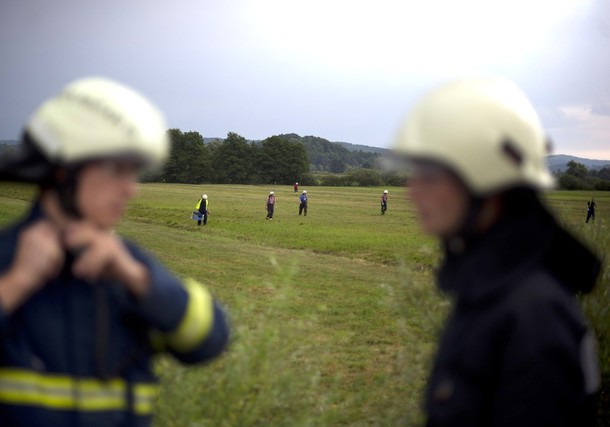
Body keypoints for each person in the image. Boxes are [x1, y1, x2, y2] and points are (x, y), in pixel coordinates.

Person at [0, 77, 230, 426]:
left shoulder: (127, 267)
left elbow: (209, 341)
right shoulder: (6, 261)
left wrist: (136, 278)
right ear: (64, 171)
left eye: (133, 172)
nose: (131, 189)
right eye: (116, 171)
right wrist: (16, 283)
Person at [394, 77, 601, 427]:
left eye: (429, 173)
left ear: (485, 179)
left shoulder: (534, 315)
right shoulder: (494, 289)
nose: (411, 191)